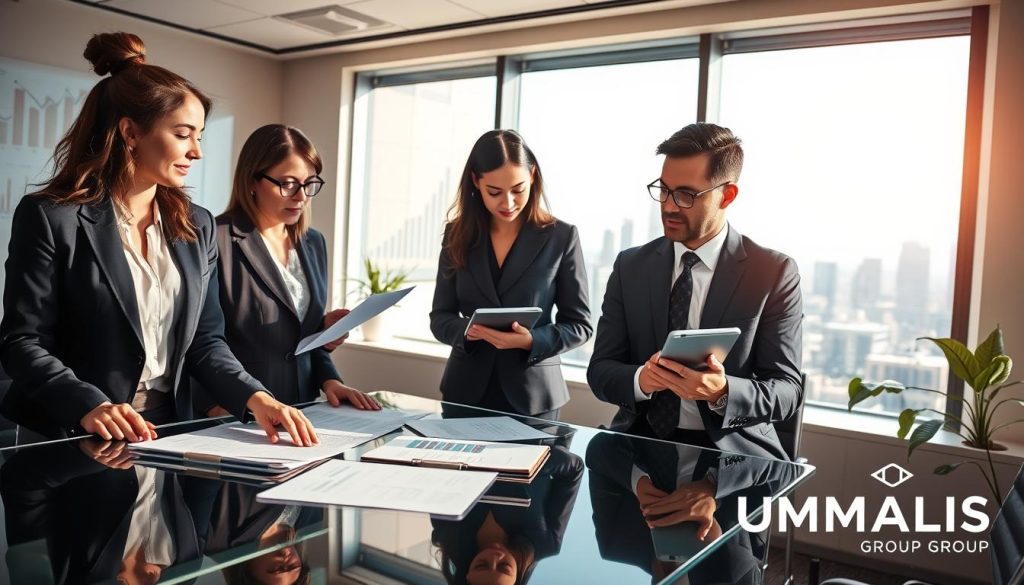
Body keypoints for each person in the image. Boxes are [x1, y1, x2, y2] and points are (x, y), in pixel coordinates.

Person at [0, 32, 317, 446]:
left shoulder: (197, 225)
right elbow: (22, 342)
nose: (197, 151)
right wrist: (89, 405)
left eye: (199, 136)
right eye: (183, 134)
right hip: (71, 431)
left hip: (166, 426)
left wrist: (256, 398)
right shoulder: (51, 217)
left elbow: (205, 342)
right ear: (130, 133)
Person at [586, 123, 802, 459]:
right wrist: (643, 379)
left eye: (686, 195)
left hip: (732, 455)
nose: (669, 206)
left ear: (727, 195)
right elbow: (600, 371)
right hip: (638, 446)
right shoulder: (630, 267)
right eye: (664, 190)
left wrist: (723, 391)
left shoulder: (773, 272)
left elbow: (788, 391)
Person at [193, 124, 379, 417]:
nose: (301, 196)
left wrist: (330, 379)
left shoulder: (313, 243)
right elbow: (198, 340)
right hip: (237, 413)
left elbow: (302, 340)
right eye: (288, 184)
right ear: (252, 181)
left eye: (309, 183)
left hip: (302, 411)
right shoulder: (216, 239)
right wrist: (215, 407)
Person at [430, 130, 592, 421]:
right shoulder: (456, 234)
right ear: (475, 181)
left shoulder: (561, 237)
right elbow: (440, 317)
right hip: (465, 393)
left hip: (534, 399)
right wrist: (469, 331)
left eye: (518, 189)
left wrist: (530, 341)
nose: (507, 203)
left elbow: (580, 325)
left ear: (532, 175)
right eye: (494, 192)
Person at [431, 446, 583, 585]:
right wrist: (526, 460)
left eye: (481, 565)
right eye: (504, 567)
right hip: (532, 431)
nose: (494, 556)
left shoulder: (448, 534)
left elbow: (434, 471)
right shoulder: (545, 543)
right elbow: (574, 470)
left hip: (464, 434)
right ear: (516, 578)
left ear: (467, 575)